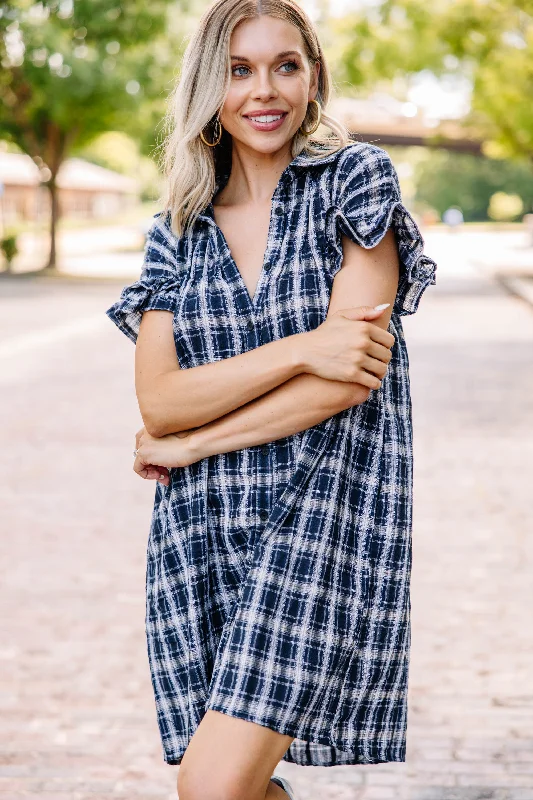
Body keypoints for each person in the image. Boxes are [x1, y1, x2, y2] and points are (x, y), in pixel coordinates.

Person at [105, 1, 437, 798]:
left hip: (323, 517)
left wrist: (196, 442)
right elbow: (160, 401)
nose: (265, 91)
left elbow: (348, 376)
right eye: (239, 69)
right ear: (208, 86)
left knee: (210, 787)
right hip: (201, 529)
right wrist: (299, 345)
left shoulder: (353, 182)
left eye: (285, 66)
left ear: (312, 76)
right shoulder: (176, 232)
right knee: (241, 789)